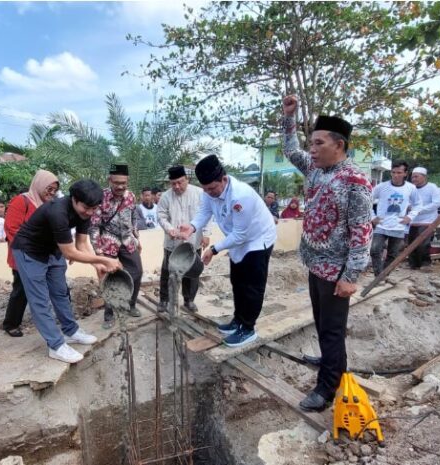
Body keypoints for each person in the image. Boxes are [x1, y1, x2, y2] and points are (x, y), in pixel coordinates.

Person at [281, 96, 373, 412]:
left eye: (319, 143)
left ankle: (326, 388)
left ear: (339, 144)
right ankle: (331, 360)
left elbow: (362, 231)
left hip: (337, 271)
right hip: (315, 263)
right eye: (312, 143)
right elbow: (291, 151)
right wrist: (288, 117)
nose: (312, 149)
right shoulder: (316, 169)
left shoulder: (355, 180)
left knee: (332, 329)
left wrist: (351, 276)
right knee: (323, 324)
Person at [11, 179, 121, 363]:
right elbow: (70, 252)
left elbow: (81, 243)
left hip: (52, 250)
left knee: (61, 292)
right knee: (40, 300)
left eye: (94, 208)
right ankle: (55, 345)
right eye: (86, 207)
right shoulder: (57, 212)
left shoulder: (86, 213)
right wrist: (103, 259)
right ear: (74, 199)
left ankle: (70, 331)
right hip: (29, 251)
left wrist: (97, 265)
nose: (89, 212)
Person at [177, 155, 276, 348]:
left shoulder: (241, 196)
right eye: (205, 189)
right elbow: (205, 211)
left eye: (212, 188)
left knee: (252, 286)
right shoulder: (209, 191)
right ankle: (238, 320)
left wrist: (214, 249)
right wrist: (192, 227)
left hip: (257, 239)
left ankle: (248, 329)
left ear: (224, 179)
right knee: (237, 281)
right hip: (238, 239)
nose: (209, 193)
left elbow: (240, 235)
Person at [3, 170, 59, 338]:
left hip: (44, 254)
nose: (51, 193)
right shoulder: (21, 201)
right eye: (49, 189)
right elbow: (12, 228)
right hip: (24, 256)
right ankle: (11, 323)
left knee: (54, 287)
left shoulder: (49, 204)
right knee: (21, 290)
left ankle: (54, 322)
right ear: (39, 184)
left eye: (54, 190)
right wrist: (31, 247)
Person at [90, 164, 143, 329]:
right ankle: (109, 315)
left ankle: (130, 304)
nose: (120, 186)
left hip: (127, 240)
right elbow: (93, 226)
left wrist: (136, 236)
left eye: (124, 183)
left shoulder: (131, 196)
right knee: (108, 279)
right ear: (109, 180)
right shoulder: (100, 197)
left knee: (137, 271)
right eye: (116, 182)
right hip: (108, 242)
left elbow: (134, 217)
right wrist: (98, 251)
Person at [157, 165, 209, 313]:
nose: (177, 186)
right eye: (173, 183)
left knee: (192, 273)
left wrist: (206, 233)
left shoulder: (199, 193)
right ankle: (164, 300)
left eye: (180, 182)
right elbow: (161, 216)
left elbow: (206, 214)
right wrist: (169, 229)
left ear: (187, 179)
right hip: (172, 243)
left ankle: (189, 300)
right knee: (167, 272)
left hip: (193, 241)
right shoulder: (166, 196)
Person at [370, 161, 422, 276]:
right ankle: (378, 275)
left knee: (393, 254)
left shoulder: (411, 188)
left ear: (405, 174)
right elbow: (367, 201)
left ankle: (384, 275)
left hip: (398, 226)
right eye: (393, 172)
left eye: (399, 172)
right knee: (374, 250)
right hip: (381, 224)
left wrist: (410, 217)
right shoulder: (381, 187)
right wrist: (372, 217)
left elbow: (418, 204)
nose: (395, 175)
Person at [407, 167, 440, 271]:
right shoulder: (410, 188)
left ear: (424, 177)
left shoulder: (432, 187)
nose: (414, 179)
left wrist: (419, 210)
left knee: (423, 244)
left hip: (427, 221)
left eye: (416, 176)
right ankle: (413, 264)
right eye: (412, 177)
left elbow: (437, 203)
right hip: (412, 221)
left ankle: (425, 263)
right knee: (411, 243)